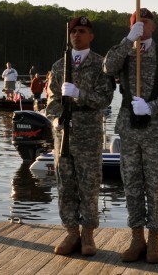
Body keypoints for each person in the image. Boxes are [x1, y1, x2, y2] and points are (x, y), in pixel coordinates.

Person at [103, 8, 158, 264]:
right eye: (136, 22)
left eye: (145, 22)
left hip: (155, 127)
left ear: (153, 27)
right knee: (132, 184)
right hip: (128, 125)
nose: (141, 25)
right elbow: (108, 67)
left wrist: (153, 106)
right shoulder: (123, 51)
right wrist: (128, 40)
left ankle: (155, 241)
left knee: (156, 186)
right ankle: (137, 238)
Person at [45, 16, 115, 256]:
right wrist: (57, 119)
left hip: (88, 134)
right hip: (63, 135)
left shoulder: (101, 64)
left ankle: (87, 236)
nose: (77, 35)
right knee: (65, 186)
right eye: (74, 31)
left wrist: (79, 94)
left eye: (82, 31)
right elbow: (51, 102)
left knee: (89, 186)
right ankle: (71, 232)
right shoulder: (58, 66)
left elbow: (105, 99)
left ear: (91, 36)